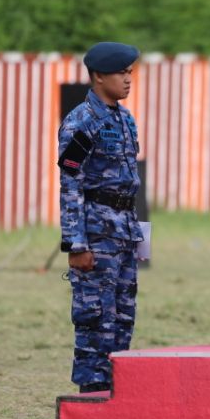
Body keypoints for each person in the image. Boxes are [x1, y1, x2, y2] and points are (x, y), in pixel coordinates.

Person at [58, 43, 144, 394]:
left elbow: (129, 183)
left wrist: (139, 235)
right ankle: (92, 392)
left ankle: (116, 393)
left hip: (124, 229)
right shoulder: (82, 121)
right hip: (95, 231)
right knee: (95, 315)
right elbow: (70, 182)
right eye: (121, 73)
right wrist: (75, 243)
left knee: (123, 313)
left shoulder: (124, 119)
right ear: (97, 77)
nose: (128, 80)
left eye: (129, 73)